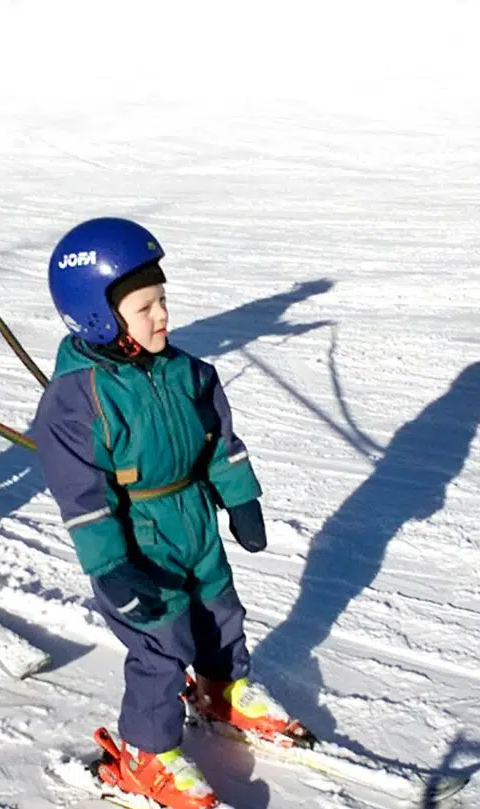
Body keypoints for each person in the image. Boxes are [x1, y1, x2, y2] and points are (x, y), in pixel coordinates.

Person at [32, 218, 313, 809]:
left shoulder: (186, 371)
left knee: (218, 609)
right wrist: (109, 565)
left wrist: (240, 496)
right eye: (145, 307)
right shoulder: (75, 399)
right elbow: (81, 495)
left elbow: (218, 439)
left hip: (192, 517)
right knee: (160, 645)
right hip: (136, 539)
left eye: (163, 301)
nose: (163, 316)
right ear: (98, 318)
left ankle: (220, 689)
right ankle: (144, 753)